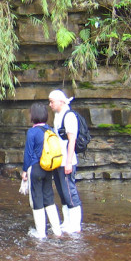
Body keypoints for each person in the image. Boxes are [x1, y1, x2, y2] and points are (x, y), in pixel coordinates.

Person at [21, 102, 63, 239]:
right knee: (49, 198)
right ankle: (57, 231)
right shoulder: (50, 130)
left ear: (34, 116)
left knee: (36, 199)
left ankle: (41, 233)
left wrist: (24, 171)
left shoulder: (32, 132)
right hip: (48, 168)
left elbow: (28, 154)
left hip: (36, 168)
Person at [48, 89, 83, 233]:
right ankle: (66, 221)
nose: (50, 104)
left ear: (61, 101)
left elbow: (72, 141)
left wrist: (68, 163)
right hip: (58, 161)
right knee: (62, 192)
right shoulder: (57, 116)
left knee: (70, 191)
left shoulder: (69, 116)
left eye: (51, 101)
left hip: (66, 161)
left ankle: (75, 224)